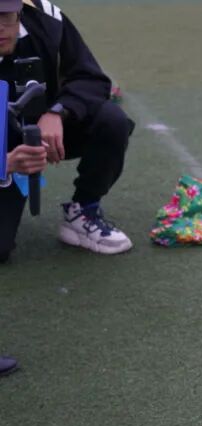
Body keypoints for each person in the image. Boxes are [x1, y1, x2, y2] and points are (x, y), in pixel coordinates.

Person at [0, 0, 134, 263]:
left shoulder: (45, 18)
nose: (0, 28)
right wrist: (5, 163)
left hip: (42, 129)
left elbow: (91, 78)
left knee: (110, 120)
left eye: (6, 15)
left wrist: (58, 112)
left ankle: (84, 209)